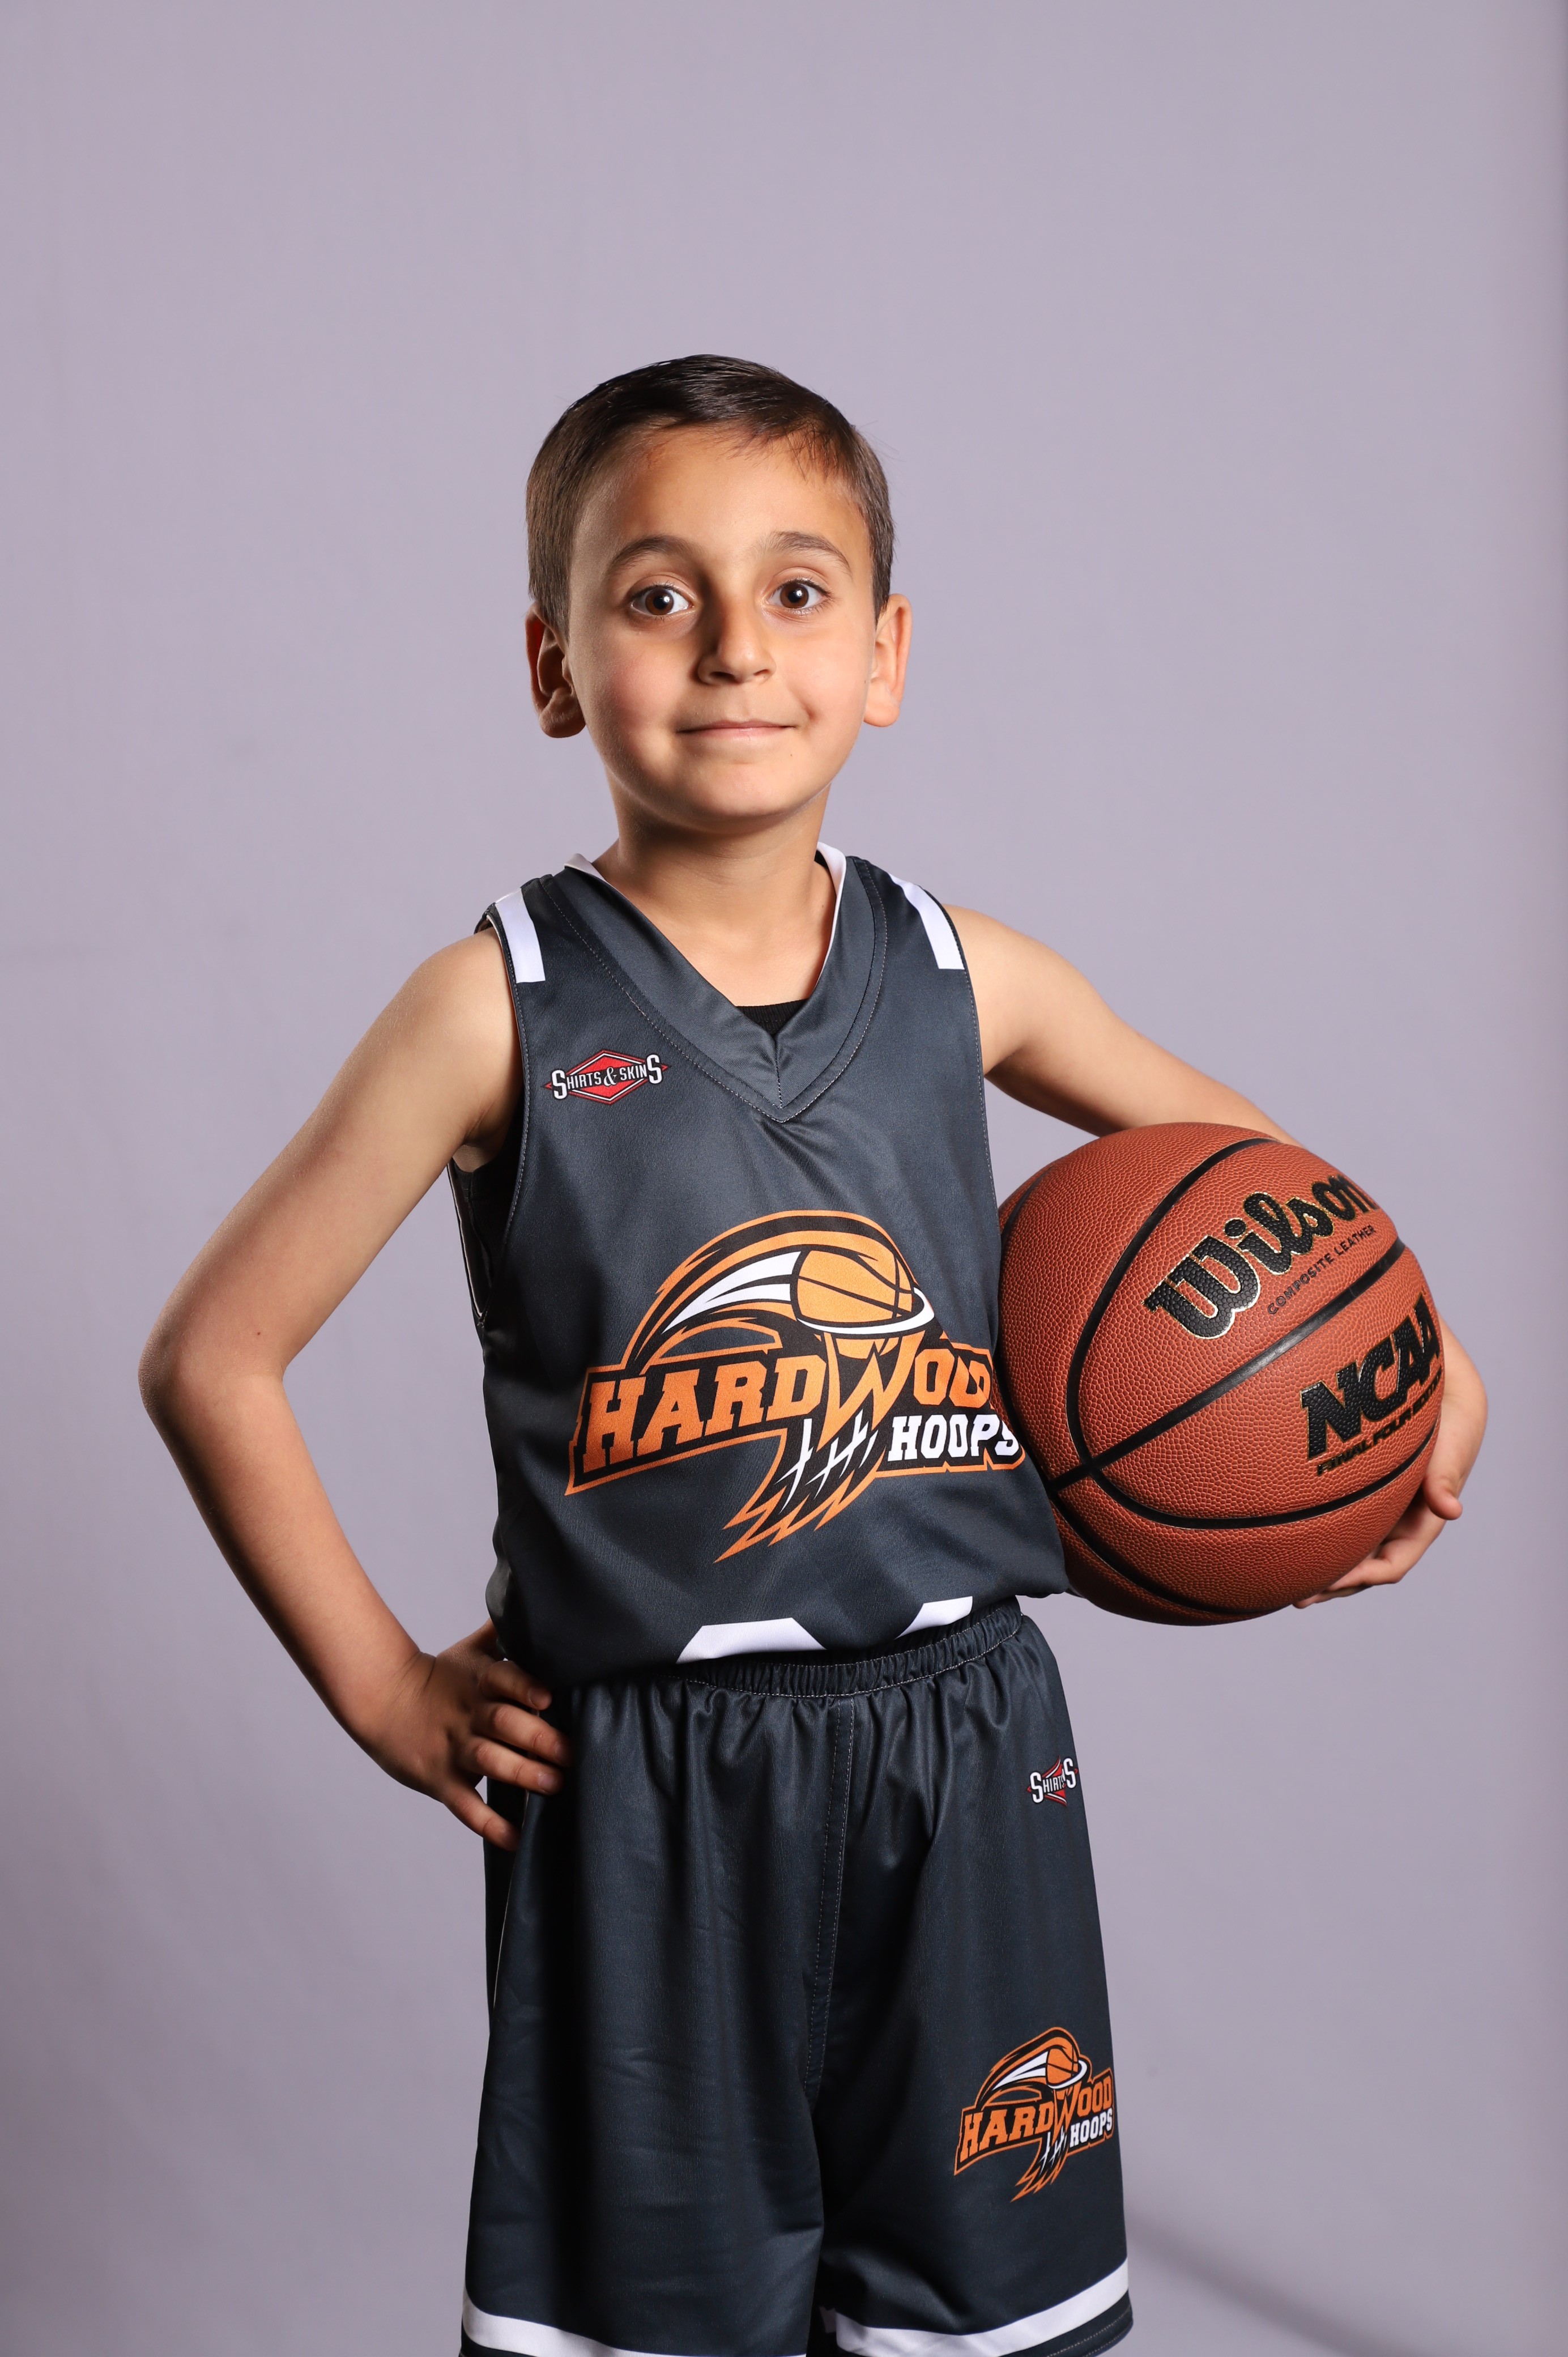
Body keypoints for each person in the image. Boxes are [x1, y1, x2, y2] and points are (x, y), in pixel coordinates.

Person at [140, 356, 1486, 2357]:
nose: (735, 647)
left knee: (984, 2328)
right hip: (651, 1788)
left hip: (964, 1749)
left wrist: (1418, 1371)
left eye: (796, 590)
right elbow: (215, 1356)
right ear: (554, 664)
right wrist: (384, 1689)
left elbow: (1291, 1210)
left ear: (886, 654)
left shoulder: (966, 974)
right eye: (656, 593)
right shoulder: (493, 1007)